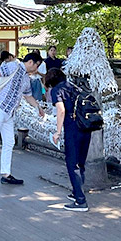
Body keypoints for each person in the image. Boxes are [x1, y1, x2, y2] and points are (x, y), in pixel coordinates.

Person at [0, 53, 45, 190]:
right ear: (30, 62)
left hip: (9, 113)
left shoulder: (26, 78)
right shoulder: (14, 66)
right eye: (37, 65)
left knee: (9, 142)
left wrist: (38, 107)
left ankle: (6, 174)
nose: (36, 69)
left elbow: (28, 96)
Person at [46, 67, 91, 212]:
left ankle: (80, 201)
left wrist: (57, 132)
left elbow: (61, 110)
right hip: (85, 126)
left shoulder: (56, 90)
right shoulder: (73, 86)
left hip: (72, 129)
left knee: (72, 164)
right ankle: (76, 192)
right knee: (81, 163)